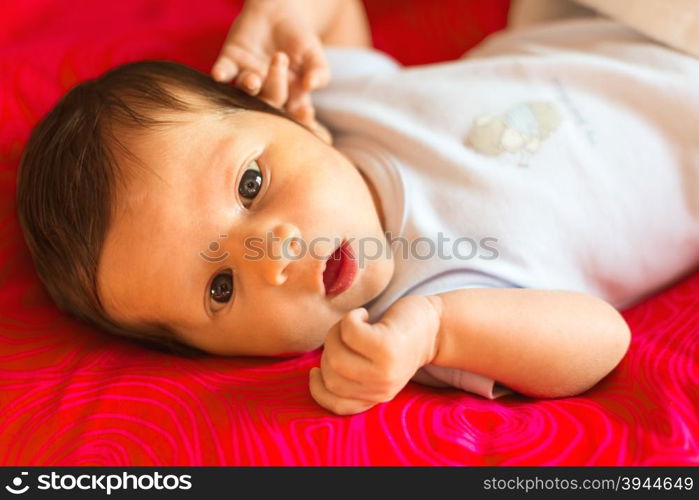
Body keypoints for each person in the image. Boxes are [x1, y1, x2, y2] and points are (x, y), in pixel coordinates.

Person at [18, 0, 699, 416]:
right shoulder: (434, 309)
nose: (272, 257)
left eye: (249, 187)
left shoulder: (342, 110)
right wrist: (434, 332)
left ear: (289, 117)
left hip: (627, 27)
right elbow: (601, 340)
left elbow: (331, 11)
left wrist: (282, 12)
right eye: (219, 288)